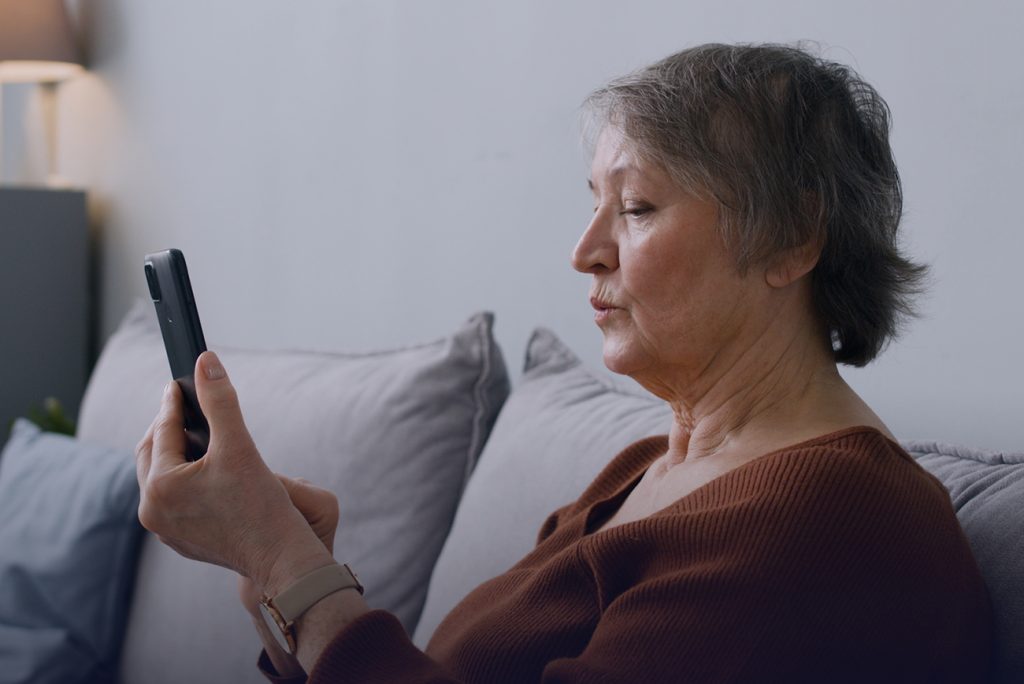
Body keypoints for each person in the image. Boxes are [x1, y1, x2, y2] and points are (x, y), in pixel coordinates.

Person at [135, 43, 993, 682]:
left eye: (638, 207)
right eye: (594, 206)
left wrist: (291, 565)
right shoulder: (640, 471)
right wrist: (277, 583)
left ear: (794, 238)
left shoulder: (832, 522)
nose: (586, 251)